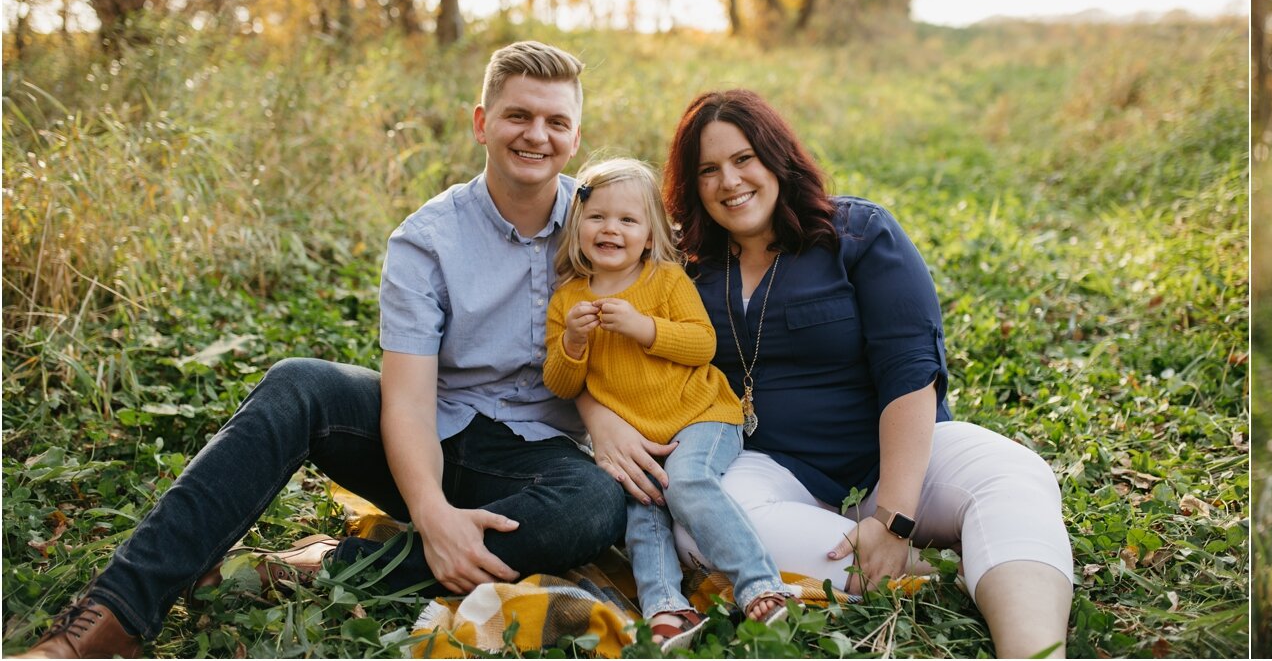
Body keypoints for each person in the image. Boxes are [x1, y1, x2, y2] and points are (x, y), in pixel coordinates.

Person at [17, 42, 630, 659]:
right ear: (482, 124)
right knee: (299, 383)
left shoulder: (607, 225)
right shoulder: (429, 239)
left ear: (575, 138)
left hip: (536, 462)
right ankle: (109, 619)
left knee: (598, 504)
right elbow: (410, 402)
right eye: (518, 116)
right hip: (433, 436)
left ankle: (327, 564)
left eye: (556, 122)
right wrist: (433, 512)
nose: (536, 136)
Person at [575, 89, 1076, 659]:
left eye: (744, 159)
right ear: (691, 187)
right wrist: (596, 417)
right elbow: (607, 342)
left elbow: (911, 374)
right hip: (771, 467)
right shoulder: (682, 270)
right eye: (708, 170)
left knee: (1013, 475)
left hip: (902, 458)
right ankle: (947, 567)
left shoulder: (857, 234)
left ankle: (1032, 647)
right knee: (701, 524)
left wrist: (892, 515)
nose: (729, 181)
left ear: (777, 157)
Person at [540, 158, 798, 649]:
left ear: (650, 235)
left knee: (686, 483)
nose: (610, 228)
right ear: (577, 227)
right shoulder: (567, 301)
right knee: (643, 509)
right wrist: (572, 341)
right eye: (597, 218)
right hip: (642, 436)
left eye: (627, 220)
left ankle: (760, 584)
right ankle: (666, 607)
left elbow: (702, 345)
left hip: (703, 416)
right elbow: (561, 384)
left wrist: (643, 327)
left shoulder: (664, 280)